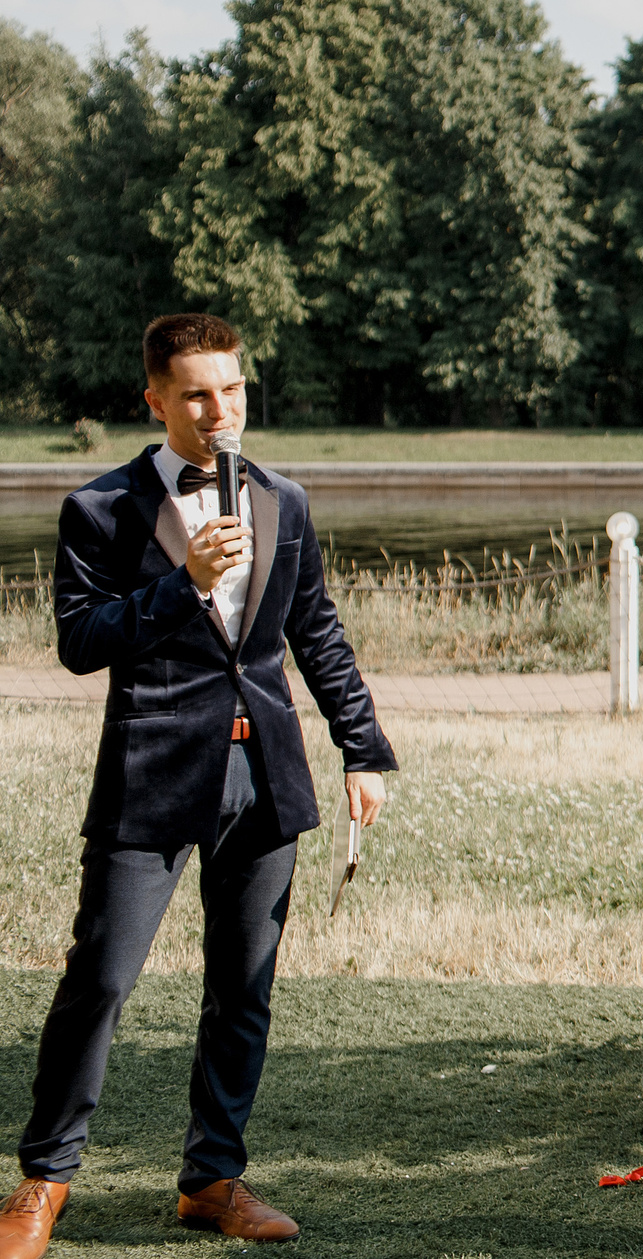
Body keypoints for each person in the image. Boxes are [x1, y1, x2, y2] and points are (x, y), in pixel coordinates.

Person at [2, 314, 397, 1258]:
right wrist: (183, 582)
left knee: (243, 989)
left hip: (264, 775)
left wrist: (364, 747)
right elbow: (81, 644)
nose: (222, 411)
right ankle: (42, 1182)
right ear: (156, 400)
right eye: (197, 394)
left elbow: (318, 633)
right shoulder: (97, 508)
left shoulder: (283, 501)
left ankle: (212, 1179)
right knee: (99, 978)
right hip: (150, 776)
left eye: (233, 389)